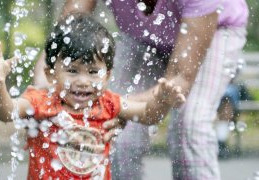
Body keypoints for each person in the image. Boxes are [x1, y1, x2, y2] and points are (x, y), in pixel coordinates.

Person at [33, 0, 249, 179]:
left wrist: (117, 106)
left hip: (215, 30)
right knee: (116, 134)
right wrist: (42, 90)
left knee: (189, 126)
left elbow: (178, 80)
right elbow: (67, 29)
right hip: (142, 38)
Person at [0, 14, 185, 179]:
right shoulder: (42, 100)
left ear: (107, 75)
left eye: (93, 72)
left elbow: (148, 115)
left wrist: (162, 101)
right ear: (50, 74)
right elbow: (7, 113)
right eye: (73, 71)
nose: (83, 81)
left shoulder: (108, 102)